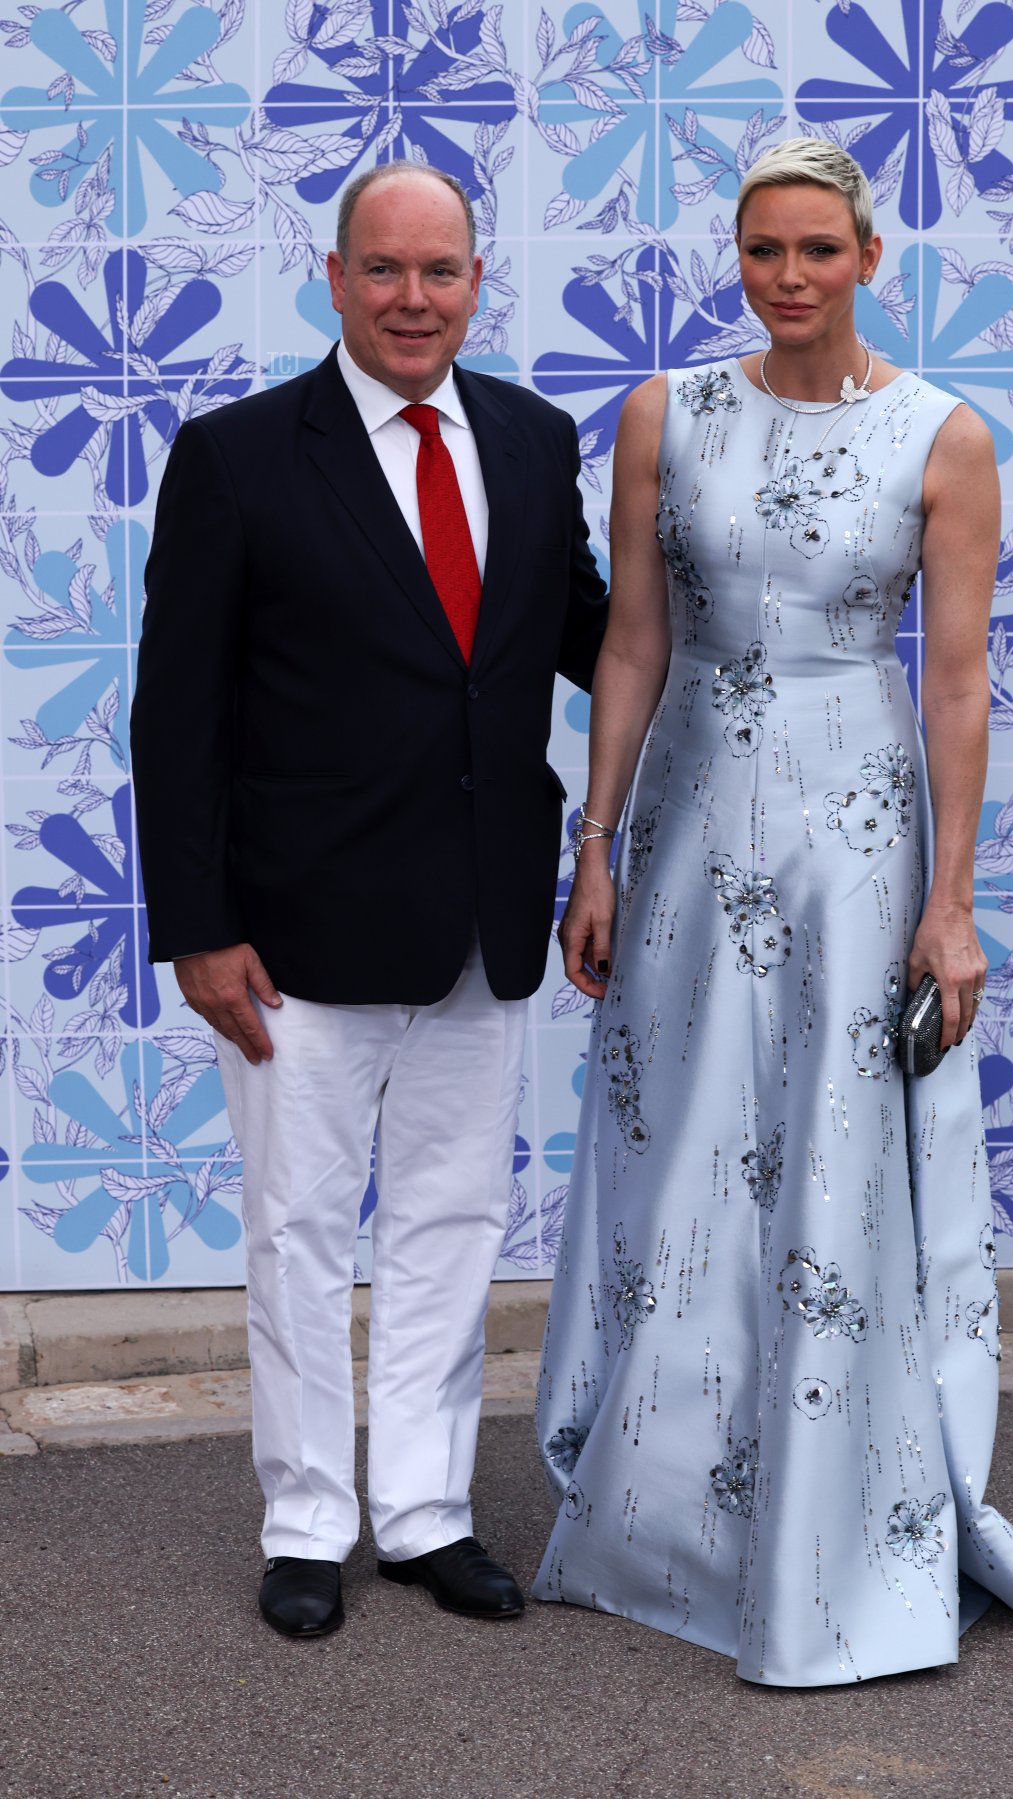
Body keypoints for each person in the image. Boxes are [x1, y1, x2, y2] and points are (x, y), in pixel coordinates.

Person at [534, 138, 1013, 1685]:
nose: (786, 278)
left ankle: (829, 1526)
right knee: (685, 1139)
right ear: (738, 255)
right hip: (695, 810)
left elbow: (957, 680)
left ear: (866, 256)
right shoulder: (667, 412)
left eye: (815, 252)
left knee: (833, 1153)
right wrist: (598, 847)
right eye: (762, 251)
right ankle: (666, 1509)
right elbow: (633, 643)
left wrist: (953, 903)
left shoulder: (943, 437)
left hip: (856, 830)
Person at [130, 162, 607, 1638]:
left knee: (454, 1225)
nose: (415, 299)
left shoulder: (531, 443)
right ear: (333, 279)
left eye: (442, 272)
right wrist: (198, 926)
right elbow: (177, 714)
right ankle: (306, 1520)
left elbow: (594, 637)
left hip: (481, 919)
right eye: (385, 271)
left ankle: (423, 1512)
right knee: (297, 1231)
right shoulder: (238, 455)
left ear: (477, 282)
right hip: (294, 936)